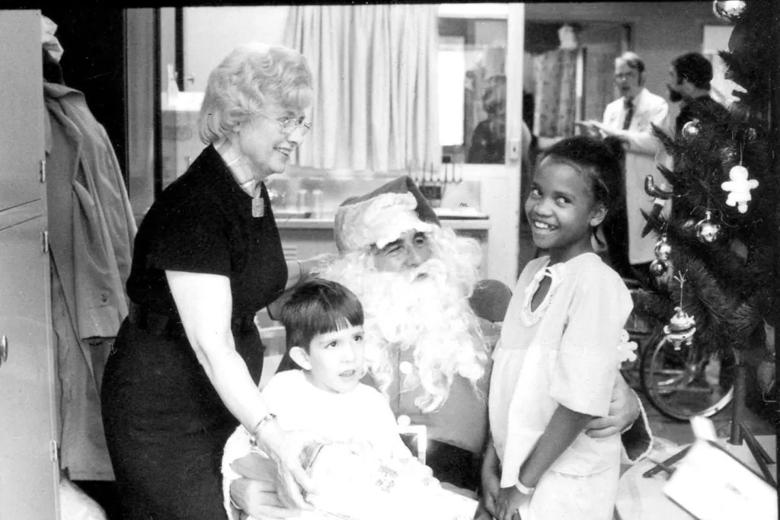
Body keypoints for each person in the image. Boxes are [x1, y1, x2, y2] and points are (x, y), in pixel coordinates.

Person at [228, 177, 651, 519]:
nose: (416, 258)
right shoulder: (324, 332)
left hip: (466, 503)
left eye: (421, 240)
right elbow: (261, 426)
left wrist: (627, 406)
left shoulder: (492, 308)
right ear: (360, 267)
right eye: (394, 247)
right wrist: (239, 488)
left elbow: (576, 378)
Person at [101, 42, 320, 520]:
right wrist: (274, 437)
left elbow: (247, 279)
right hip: (165, 412)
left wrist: (328, 264)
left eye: (301, 122)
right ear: (239, 115)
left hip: (217, 400)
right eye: (286, 119)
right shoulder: (196, 207)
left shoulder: (250, 187)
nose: (296, 135)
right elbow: (212, 344)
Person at [222, 279, 478, 520]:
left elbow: (398, 458)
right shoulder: (283, 389)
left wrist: (424, 483)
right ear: (303, 357)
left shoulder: (370, 401)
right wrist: (237, 489)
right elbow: (239, 452)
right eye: (333, 344)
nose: (351, 356)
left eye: (357, 338)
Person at [482, 135, 636, 520]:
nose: (541, 208)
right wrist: (492, 461)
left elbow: (579, 404)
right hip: (518, 471)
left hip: (563, 486)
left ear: (597, 213)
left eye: (562, 200)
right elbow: (507, 381)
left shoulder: (596, 285)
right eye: (537, 192)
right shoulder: (534, 272)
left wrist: (521, 485)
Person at [576, 52, 670, 283]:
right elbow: (612, 146)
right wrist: (598, 136)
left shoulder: (657, 105)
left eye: (629, 74)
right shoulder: (613, 108)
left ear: (642, 76)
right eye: (619, 76)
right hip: (616, 189)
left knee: (643, 258)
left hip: (641, 189)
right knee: (616, 251)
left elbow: (653, 142)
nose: (624, 81)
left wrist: (615, 134)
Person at [667, 52, 730, 135]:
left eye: (672, 75)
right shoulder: (719, 111)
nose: (669, 82)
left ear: (686, 81)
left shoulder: (691, 117)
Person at [468, 76, 507, 163]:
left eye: (488, 91)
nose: (482, 95)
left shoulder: (515, 130)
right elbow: (473, 163)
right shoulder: (482, 128)